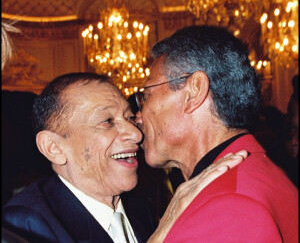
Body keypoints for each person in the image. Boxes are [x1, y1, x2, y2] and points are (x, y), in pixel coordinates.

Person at [2, 72, 247, 243]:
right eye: (107, 121)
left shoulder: (138, 203)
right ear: (53, 147)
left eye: (130, 118)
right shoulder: (24, 224)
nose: (135, 133)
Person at [135, 25, 299, 242]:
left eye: (146, 95)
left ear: (194, 92)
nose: (138, 116)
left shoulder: (227, 205)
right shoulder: (254, 172)